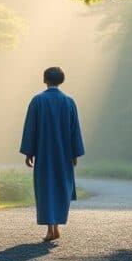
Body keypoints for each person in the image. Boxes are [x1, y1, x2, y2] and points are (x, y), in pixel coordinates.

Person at [19, 66, 85, 242]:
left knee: (46, 188)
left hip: (44, 153)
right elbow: (74, 130)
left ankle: (51, 229)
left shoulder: (37, 101)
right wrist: (75, 153)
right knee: (61, 187)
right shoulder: (69, 102)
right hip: (64, 154)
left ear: (44, 80)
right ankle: (55, 227)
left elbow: (30, 128)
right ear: (61, 80)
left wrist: (29, 152)